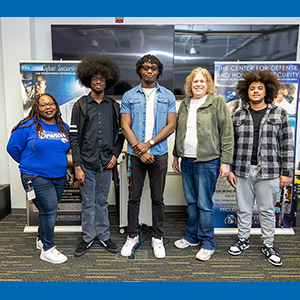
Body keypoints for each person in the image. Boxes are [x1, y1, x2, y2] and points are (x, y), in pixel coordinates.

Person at [227, 69, 294, 267]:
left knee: (266, 210)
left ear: (267, 91)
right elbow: (231, 143)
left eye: (260, 88)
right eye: (252, 88)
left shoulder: (279, 113)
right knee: (243, 209)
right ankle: (243, 240)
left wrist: (286, 172)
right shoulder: (238, 114)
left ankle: (268, 244)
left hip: (270, 171)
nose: (255, 91)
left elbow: (287, 145)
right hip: (242, 169)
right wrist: (230, 168)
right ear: (246, 92)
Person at [172, 67, 234, 261]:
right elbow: (179, 131)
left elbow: (227, 133)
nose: (198, 84)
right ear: (190, 85)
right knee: (191, 202)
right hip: (187, 160)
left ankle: (208, 242)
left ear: (208, 84)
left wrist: (226, 162)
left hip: (208, 161)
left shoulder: (216, 103)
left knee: (204, 204)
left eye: (202, 81)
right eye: (195, 81)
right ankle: (192, 237)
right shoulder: (185, 104)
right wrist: (176, 156)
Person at [120, 54, 177, 259]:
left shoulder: (168, 96)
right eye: (145, 67)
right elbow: (125, 125)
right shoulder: (129, 96)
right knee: (133, 197)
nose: (149, 71)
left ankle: (157, 237)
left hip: (159, 153)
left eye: (153, 68)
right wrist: (139, 150)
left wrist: (149, 145)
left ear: (158, 71)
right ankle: (132, 235)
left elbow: (171, 125)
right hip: (135, 155)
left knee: (158, 198)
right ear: (140, 71)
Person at [70, 55, 124, 257]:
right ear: (88, 80)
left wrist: (115, 155)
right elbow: (73, 138)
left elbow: (121, 135)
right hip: (86, 163)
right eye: (95, 78)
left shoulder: (114, 106)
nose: (98, 81)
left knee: (102, 202)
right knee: (87, 203)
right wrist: (77, 166)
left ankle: (103, 235)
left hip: (106, 164)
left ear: (107, 80)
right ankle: (87, 237)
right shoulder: (80, 105)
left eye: (102, 78)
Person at [7, 93, 70, 264]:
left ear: (56, 106)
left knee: (47, 211)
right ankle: (47, 249)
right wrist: (31, 164)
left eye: (51, 104)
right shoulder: (27, 126)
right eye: (43, 105)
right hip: (35, 176)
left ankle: (41, 239)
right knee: (50, 211)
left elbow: (66, 149)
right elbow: (12, 148)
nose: (48, 107)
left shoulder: (62, 126)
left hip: (59, 177)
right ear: (36, 107)